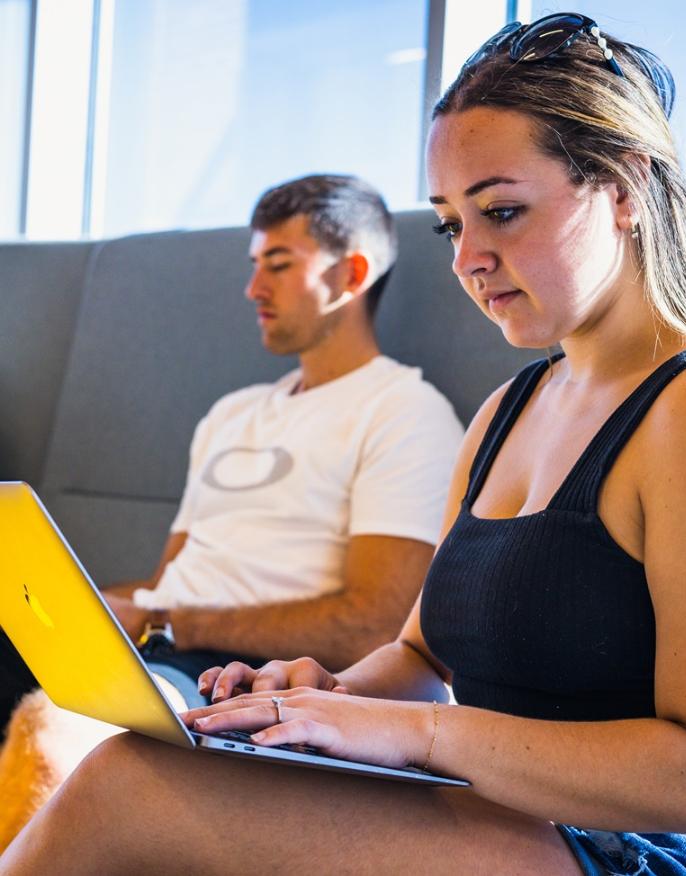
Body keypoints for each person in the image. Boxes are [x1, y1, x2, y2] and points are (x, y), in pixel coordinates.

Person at [0, 13, 686, 875]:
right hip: (514, 816)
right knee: (136, 766)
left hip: (677, 852)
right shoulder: (510, 409)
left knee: (125, 789)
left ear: (624, 188)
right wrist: (319, 702)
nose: (469, 257)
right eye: (450, 225)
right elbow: (423, 657)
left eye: (502, 212)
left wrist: (415, 733)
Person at [0, 173, 462, 846]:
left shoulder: (405, 414)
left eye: (278, 265)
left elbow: (379, 623)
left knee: (49, 736)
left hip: (236, 676)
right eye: (254, 267)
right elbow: (173, 576)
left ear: (352, 273)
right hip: (154, 647)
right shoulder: (230, 414)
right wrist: (75, 608)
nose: (253, 290)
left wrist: (166, 619)